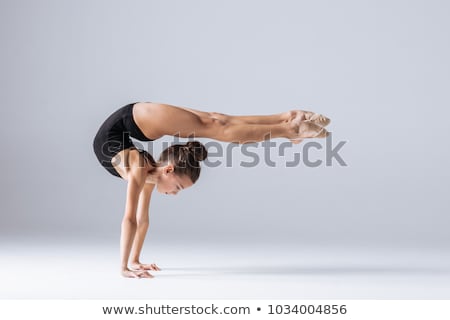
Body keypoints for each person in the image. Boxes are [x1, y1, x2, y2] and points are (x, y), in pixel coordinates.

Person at [93, 101, 331, 278]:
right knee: (215, 121)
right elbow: (142, 219)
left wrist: (123, 268)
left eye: (177, 187)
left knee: (216, 126)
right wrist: (134, 261)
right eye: (179, 189)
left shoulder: (138, 167)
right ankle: (288, 118)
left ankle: (290, 129)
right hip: (131, 125)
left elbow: (129, 219)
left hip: (133, 119)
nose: (174, 193)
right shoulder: (147, 175)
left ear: (168, 169)